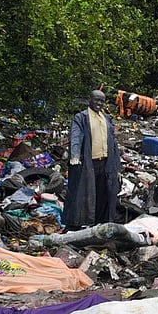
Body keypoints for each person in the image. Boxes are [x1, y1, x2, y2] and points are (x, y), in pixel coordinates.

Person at [65, 89, 120, 229]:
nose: (99, 103)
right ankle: (78, 224)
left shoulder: (106, 119)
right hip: (89, 163)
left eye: (102, 101)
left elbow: (113, 142)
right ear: (90, 100)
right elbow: (75, 137)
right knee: (84, 193)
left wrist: (117, 165)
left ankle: (99, 224)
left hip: (105, 162)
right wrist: (75, 156)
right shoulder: (81, 118)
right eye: (96, 100)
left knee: (103, 193)